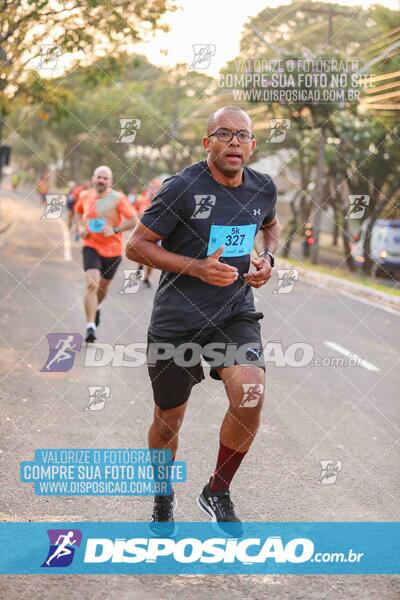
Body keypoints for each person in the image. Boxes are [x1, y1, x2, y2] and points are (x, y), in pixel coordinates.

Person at [126, 106, 280, 534]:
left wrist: (266, 258)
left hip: (233, 312)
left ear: (252, 144)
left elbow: (270, 225)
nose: (235, 142)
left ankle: (217, 489)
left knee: (251, 391)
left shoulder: (262, 187)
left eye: (243, 135)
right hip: (177, 320)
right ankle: (162, 494)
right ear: (207, 142)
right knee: (168, 418)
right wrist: (195, 267)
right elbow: (136, 247)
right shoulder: (182, 188)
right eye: (224, 133)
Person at [75, 165, 138, 343]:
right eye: (99, 177)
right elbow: (79, 213)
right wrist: (80, 228)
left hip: (113, 250)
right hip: (91, 245)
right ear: (93, 178)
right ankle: (90, 327)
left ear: (110, 182)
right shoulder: (85, 195)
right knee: (91, 285)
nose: (101, 180)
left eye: (105, 178)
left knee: (102, 288)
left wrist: (115, 229)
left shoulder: (118, 198)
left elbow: (134, 220)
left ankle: (98, 306)